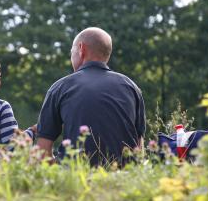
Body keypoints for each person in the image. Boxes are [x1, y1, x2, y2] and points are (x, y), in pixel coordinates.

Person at [35, 27, 146, 167]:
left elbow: (42, 151)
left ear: (81, 49)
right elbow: (139, 148)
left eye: (71, 52)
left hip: (77, 181)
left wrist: (59, 179)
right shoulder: (131, 88)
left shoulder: (60, 88)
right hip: (123, 181)